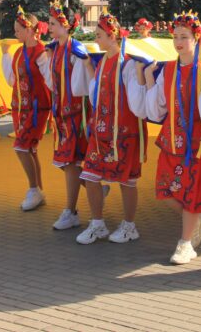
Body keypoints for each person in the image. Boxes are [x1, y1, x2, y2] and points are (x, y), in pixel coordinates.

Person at [141, 11, 201, 265]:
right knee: (166, 191)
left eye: (184, 36)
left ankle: (185, 244)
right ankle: (197, 218)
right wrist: (147, 79)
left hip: (198, 144)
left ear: (196, 39)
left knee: (190, 194)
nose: (179, 41)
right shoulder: (168, 70)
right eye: (175, 36)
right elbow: (157, 108)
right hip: (171, 141)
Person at [76, 13, 148, 245]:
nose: (96, 39)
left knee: (127, 181)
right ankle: (97, 224)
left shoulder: (126, 63)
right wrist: (88, 66)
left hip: (124, 132)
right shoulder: (104, 61)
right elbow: (96, 94)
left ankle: (129, 226)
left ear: (112, 35)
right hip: (101, 132)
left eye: (98, 35)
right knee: (90, 175)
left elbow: (137, 101)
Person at [46, 0, 91, 230]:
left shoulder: (76, 51)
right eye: (49, 23)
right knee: (65, 162)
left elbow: (82, 87)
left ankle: (71, 210)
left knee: (70, 162)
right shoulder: (55, 49)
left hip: (75, 116)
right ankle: (92, 186)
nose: (49, 27)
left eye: (53, 23)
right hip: (62, 116)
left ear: (66, 25)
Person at [2, 7, 52, 210]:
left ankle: (33, 190)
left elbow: (50, 82)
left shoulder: (41, 53)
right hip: (20, 108)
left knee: (21, 147)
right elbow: (11, 80)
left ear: (30, 29)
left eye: (18, 30)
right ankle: (37, 190)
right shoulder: (19, 52)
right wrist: (6, 56)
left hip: (37, 109)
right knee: (29, 149)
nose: (15, 33)